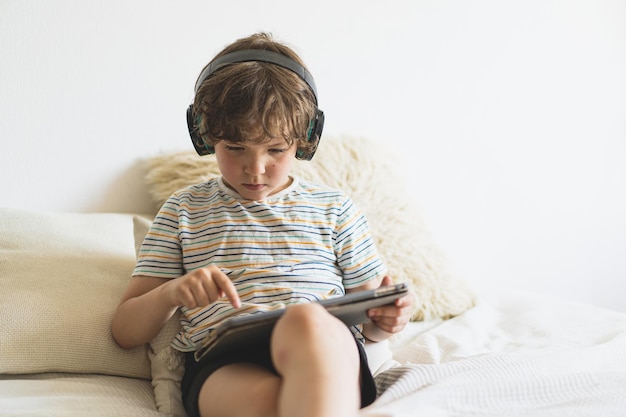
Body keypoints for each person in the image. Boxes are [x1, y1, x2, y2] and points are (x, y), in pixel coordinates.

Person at [112, 32, 414, 417]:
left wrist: (390, 321)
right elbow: (125, 332)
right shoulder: (183, 210)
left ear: (306, 138)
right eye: (234, 148)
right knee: (285, 402)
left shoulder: (335, 209)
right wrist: (172, 293)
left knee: (306, 320)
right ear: (205, 136)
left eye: (275, 149)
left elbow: (373, 320)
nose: (255, 169)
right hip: (226, 361)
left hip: (325, 348)